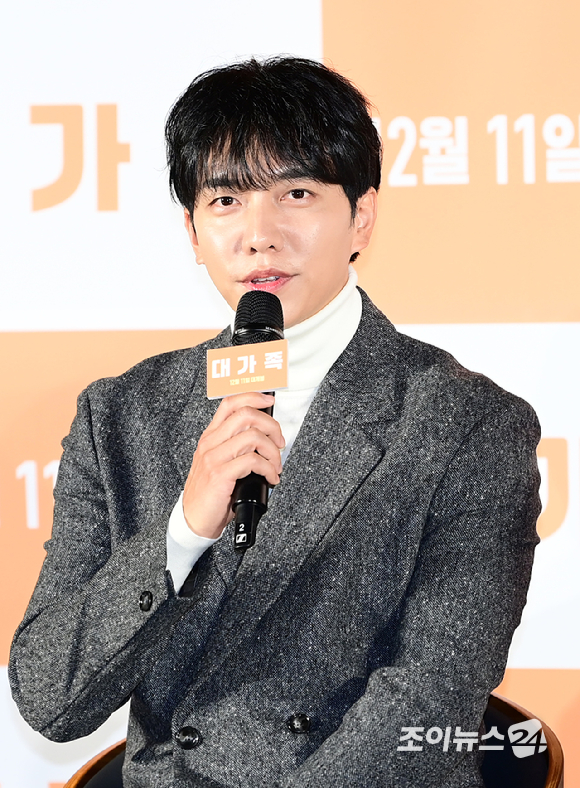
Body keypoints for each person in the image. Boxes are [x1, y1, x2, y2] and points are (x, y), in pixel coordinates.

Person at [9, 57, 541, 788]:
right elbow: (48, 698)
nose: (259, 236)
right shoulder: (120, 415)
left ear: (361, 216)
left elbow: (432, 701)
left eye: (296, 193)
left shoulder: (467, 423)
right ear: (192, 231)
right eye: (226, 201)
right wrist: (182, 531)